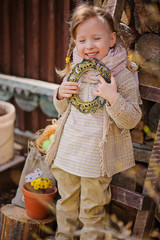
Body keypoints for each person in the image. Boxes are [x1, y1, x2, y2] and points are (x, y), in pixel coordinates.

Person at [45, 3, 142, 240]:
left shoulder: (123, 73)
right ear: (75, 43)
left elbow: (132, 119)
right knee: (65, 207)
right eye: (82, 40)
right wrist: (60, 94)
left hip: (95, 160)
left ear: (112, 39)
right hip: (68, 152)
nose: (89, 46)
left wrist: (112, 98)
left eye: (96, 38)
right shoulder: (75, 66)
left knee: (92, 213)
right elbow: (63, 109)